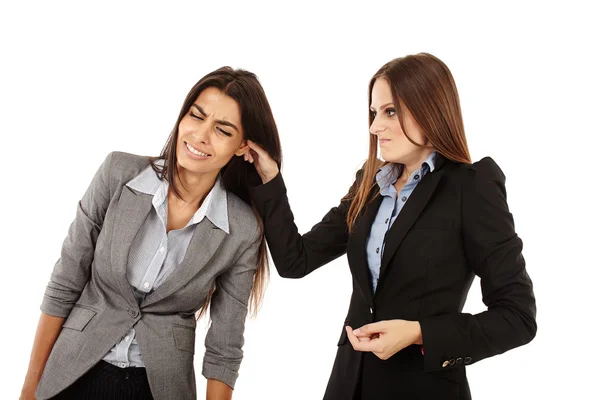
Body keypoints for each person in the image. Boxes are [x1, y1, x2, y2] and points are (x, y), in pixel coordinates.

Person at [245, 53, 536, 399]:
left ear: (431, 109)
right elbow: (296, 260)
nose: (374, 127)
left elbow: (517, 317)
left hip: (423, 388)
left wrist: (419, 333)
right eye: (373, 112)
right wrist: (270, 178)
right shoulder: (369, 184)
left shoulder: (471, 188)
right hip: (349, 383)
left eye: (390, 111)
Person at [20, 67, 282, 400]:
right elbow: (65, 282)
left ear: (243, 146)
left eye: (222, 130)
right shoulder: (117, 173)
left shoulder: (242, 228)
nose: (200, 135)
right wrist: (31, 388)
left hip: (159, 387)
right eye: (196, 116)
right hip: (72, 372)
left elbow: (224, 345)